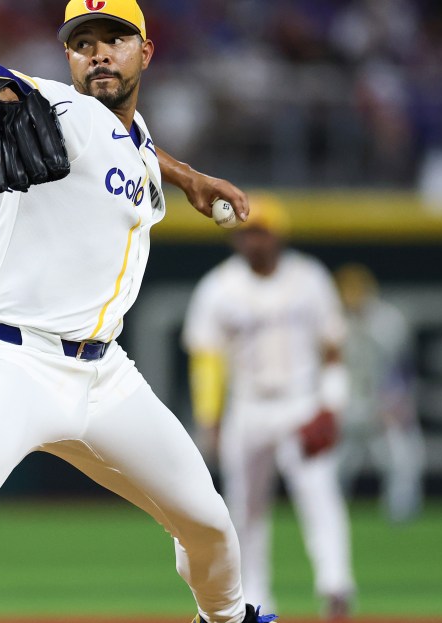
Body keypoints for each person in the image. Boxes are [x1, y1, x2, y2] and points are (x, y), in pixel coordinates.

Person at [0, 3, 276, 623]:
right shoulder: (54, 103)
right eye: (84, 43)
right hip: (9, 358)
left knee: (206, 522)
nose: (99, 52)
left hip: (105, 377)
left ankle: (227, 618)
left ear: (145, 53)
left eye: (116, 39)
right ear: (68, 58)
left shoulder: (135, 134)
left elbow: (134, 149)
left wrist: (186, 176)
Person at [182, 202, 355, 620]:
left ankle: (336, 588)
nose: (254, 239)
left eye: (262, 231)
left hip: (302, 403)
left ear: (279, 235)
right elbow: (207, 359)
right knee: (245, 510)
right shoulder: (218, 287)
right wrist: (211, 417)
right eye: (248, 232)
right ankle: (256, 602)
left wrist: (331, 405)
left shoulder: (309, 278)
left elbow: (332, 346)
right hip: (248, 407)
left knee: (319, 497)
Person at [331, 263, 424, 524]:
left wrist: (397, 402)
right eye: (347, 290)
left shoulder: (388, 321)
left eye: (357, 290)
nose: (353, 296)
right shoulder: (331, 321)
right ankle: (331, 518)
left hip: (382, 403)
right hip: (346, 406)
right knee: (332, 471)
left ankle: (401, 521)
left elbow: (403, 368)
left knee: (404, 460)